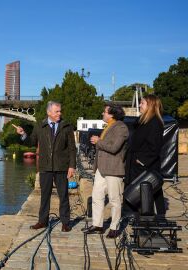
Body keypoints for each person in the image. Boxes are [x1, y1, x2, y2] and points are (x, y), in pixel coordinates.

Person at [13, 101, 76, 232]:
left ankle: (65, 222)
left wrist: (72, 166)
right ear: (49, 112)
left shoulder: (66, 126)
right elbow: (32, 142)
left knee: (63, 195)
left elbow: (72, 149)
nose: (60, 113)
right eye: (56, 111)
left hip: (61, 167)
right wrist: (23, 134)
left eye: (60, 111)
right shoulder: (40, 126)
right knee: (44, 195)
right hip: (45, 166)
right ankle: (43, 221)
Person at [84, 105, 128, 238]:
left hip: (114, 168)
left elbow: (114, 148)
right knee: (97, 197)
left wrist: (98, 141)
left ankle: (114, 227)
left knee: (115, 199)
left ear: (112, 114)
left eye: (105, 112)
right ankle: (97, 225)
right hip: (101, 169)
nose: (102, 113)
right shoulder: (108, 126)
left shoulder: (121, 128)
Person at [124, 94, 165, 216]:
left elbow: (155, 147)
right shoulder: (142, 121)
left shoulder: (155, 123)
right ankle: (139, 218)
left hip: (146, 166)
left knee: (148, 193)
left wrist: (141, 161)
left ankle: (152, 221)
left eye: (142, 103)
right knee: (138, 194)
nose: (140, 105)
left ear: (150, 106)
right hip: (136, 165)